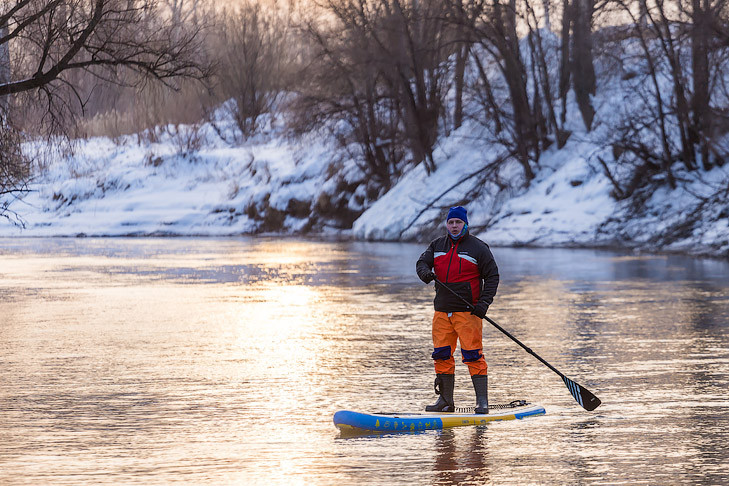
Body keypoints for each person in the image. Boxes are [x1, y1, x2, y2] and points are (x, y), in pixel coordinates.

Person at [415, 206, 499, 414]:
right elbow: (421, 263)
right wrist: (425, 272)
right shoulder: (437, 245)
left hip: (468, 312)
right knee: (441, 355)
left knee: (473, 355)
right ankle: (445, 401)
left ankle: (482, 402)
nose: (454, 226)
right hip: (442, 311)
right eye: (451, 222)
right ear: (447, 224)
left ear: (465, 224)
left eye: (458, 223)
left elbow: (492, 277)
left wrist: (483, 304)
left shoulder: (478, 248)